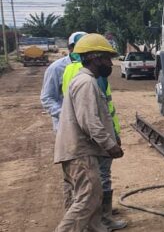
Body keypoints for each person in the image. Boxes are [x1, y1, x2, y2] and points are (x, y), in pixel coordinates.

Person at [54, 34, 124, 231]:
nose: (110, 63)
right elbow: (90, 122)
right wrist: (111, 145)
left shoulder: (85, 79)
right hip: (80, 152)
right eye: (107, 58)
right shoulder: (86, 82)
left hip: (77, 150)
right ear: (95, 57)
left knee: (89, 197)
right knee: (88, 199)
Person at [41, 31, 86, 133]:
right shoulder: (56, 68)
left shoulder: (93, 67)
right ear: (70, 48)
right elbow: (47, 98)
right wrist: (66, 115)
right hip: (66, 128)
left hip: (88, 126)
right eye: (79, 47)